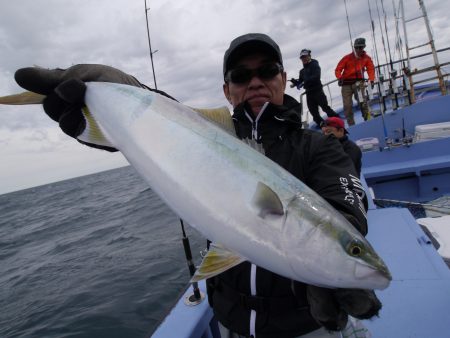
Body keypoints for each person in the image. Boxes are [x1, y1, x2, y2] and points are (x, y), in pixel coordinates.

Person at [14, 33, 380, 338]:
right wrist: (121, 98)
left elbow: (345, 208)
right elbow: (167, 125)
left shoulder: (320, 148)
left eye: (267, 71)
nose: (255, 81)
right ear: (226, 90)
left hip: (307, 327)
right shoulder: (204, 138)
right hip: (231, 324)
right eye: (240, 75)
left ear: (284, 79)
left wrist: (332, 262)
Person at [290, 49, 338, 127]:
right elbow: (301, 81)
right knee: (314, 114)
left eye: (305, 56)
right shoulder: (301, 71)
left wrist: (304, 82)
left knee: (325, 108)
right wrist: (296, 83)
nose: (304, 58)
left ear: (309, 56)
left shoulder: (314, 64)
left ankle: (338, 122)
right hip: (309, 93)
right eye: (302, 57)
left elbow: (316, 76)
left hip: (318, 91)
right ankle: (324, 128)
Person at [335, 38, 375, 126]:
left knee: (362, 102)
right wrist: (340, 77)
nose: (359, 50)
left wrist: (371, 80)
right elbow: (338, 69)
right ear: (354, 48)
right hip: (346, 85)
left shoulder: (367, 58)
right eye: (357, 48)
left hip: (358, 83)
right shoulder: (347, 58)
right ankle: (351, 125)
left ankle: (367, 120)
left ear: (363, 48)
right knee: (347, 106)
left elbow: (371, 69)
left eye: (360, 48)